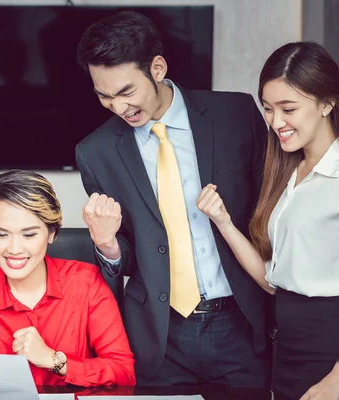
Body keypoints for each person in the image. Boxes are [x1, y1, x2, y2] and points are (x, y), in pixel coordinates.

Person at [75, 11, 271, 387]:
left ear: (158, 68)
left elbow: (271, 212)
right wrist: (107, 246)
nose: (118, 108)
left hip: (241, 326)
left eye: (126, 92)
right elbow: (134, 253)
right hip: (159, 337)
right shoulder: (95, 152)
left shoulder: (235, 114)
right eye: (104, 96)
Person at [197, 41, 339, 400]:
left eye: (288, 108)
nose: (276, 122)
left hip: (329, 350)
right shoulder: (290, 172)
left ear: (327, 102)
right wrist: (224, 223)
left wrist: (336, 379)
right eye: (268, 108)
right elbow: (273, 280)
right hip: (288, 347)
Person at [0, 170, 135, 400]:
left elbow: (123, 372)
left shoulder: (87, 283)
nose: (14, 249)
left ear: (51, 233)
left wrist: (54, 360)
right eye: (1, 234)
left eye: (29, 235)